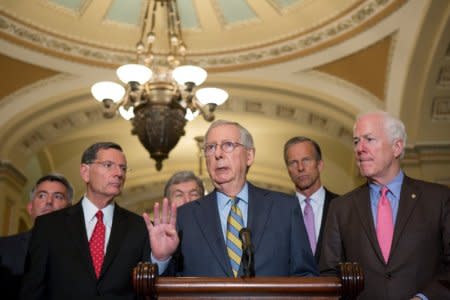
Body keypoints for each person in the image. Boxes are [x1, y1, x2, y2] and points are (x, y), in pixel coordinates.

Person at [145, 120, 318, 277]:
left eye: (228, 145)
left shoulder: (284, 208)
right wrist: (161, 259)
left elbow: (306, 277)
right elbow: (168, 287)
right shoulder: (185, 216)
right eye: (210, 148)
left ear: (249, 156)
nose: (217, 154)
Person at [319, 111, 450, 300]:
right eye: (356, 141)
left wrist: (424, 298)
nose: (359, 148)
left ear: (397, 147)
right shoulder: (341, 208)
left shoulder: (438, 199)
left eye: (369, 139)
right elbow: (329, 276)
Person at [19, 142, 151, 300]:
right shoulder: (49, 226)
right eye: (109, 165)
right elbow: (33, 289)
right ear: (85, 172)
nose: (119, 173)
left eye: (123, 168)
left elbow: (147, 289)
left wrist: (162, 258)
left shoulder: (139, 227)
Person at [0, 173, 73, 300]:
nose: (49, 202)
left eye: (58, 196)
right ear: (30, 208)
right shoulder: (3, 248)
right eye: (42, 196)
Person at [284, 136, 339, 263]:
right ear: (288, 170)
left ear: (319, 165)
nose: (300, 168)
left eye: (306, 160)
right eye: (293, 162)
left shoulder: (343, 206)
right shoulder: (279, 212)